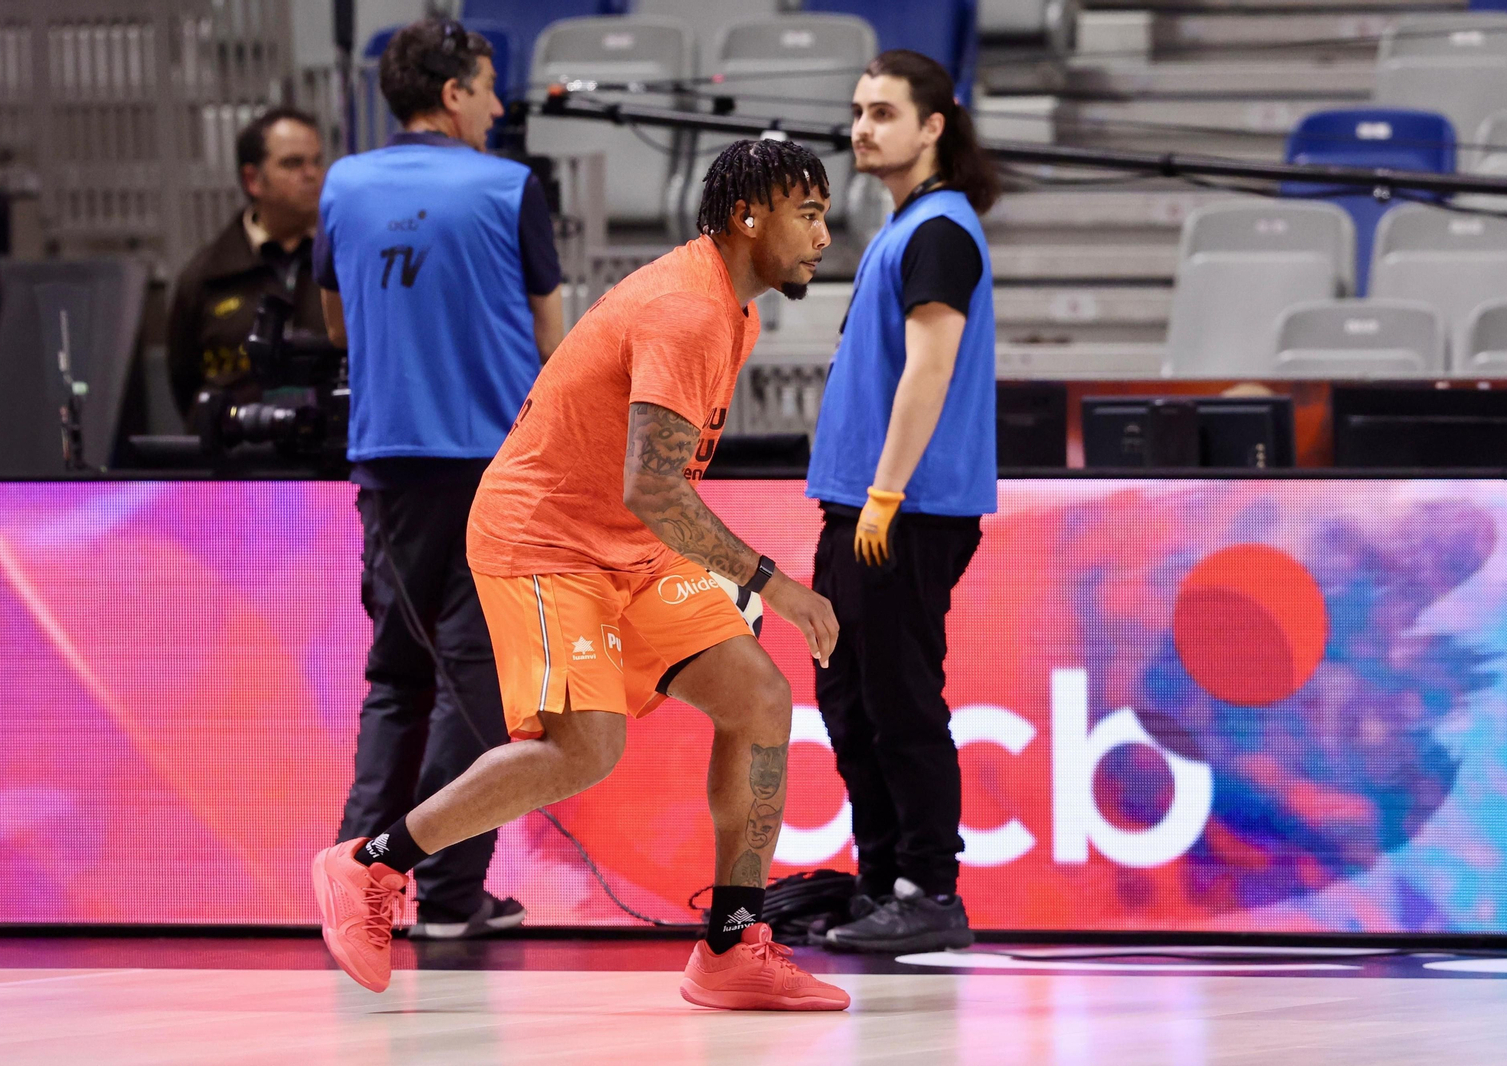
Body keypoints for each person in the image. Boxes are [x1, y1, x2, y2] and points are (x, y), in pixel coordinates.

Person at [312, 137, 851, 1011]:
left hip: (625, 541)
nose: (826, 235)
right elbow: (653, 482)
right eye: (811, 213)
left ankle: (730, 946)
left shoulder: (733, 312)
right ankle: (371, 865)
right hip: (546, 539)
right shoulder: (687, 309)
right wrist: (768, 583)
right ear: (750, 218)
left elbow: (645, 492)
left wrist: (722, 590)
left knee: (756, 697)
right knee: (584, 749)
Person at [313, 19, 564, 940]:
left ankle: (352, 882)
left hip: (387, 467)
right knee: (479, 689)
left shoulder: (343, 185)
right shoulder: (509, 189)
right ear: (453, 91)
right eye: (491, 85)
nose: (500, 105)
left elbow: (338, 327)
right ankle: (451, 898)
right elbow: (553, 345)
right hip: (497, 473)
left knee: (395, 680)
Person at [804, 50, 1002, 954]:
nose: (861, 126)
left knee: (900, 700)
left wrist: (884, 494)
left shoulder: (941, 231)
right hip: (859, 507)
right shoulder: (906, 228)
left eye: (883, 111)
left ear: (934, 126)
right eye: (857, 110)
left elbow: (931, 368)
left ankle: (930, 888)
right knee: (850, 703)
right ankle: (882, 880)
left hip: (904, 510)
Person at [167, 107, 327, 425]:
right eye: (293, 163)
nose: (311, 174)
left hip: (328, 459)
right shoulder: (206, 276)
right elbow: (185, 383)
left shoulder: (345, 263)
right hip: (240, 461)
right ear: (253, 179)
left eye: (317, 161)